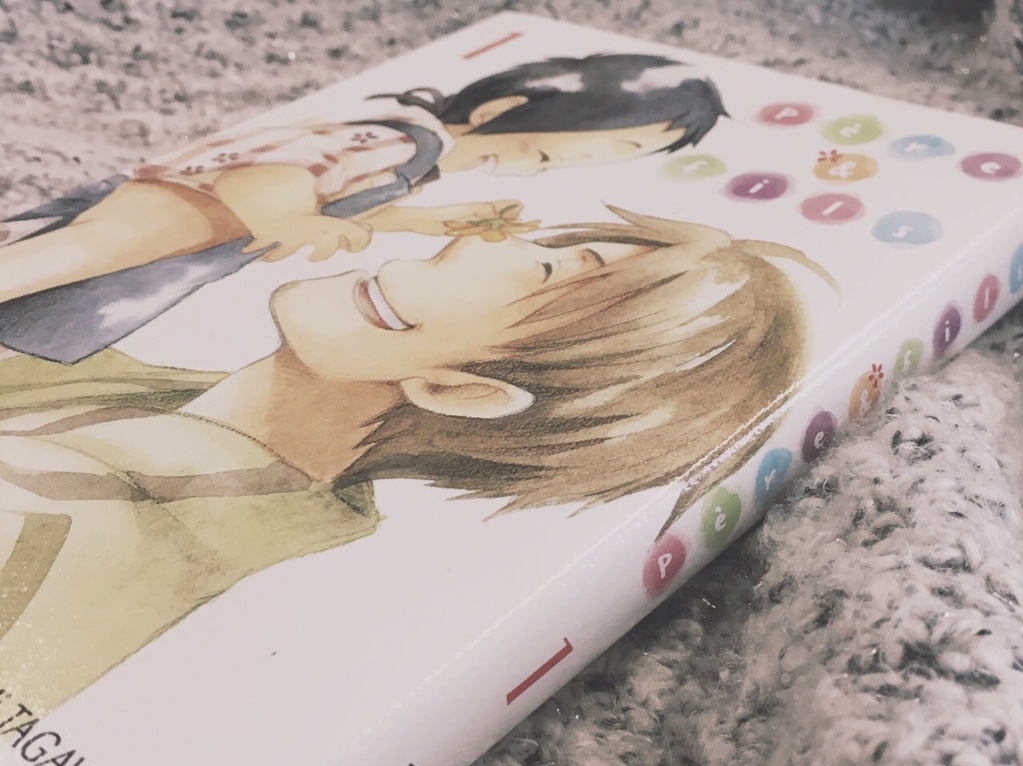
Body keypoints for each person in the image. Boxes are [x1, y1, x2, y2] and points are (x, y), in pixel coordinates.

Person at [0, 207, 825, 716]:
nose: (471, 243)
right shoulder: (121, 393)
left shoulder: (81, 528)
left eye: (544, 269)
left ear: (462, 391)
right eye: (540, 243)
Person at [0, 53, 727, 361]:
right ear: (503, 109)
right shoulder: (400, 138)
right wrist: (291, 220)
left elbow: (344, 202)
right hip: (184, 206)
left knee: (74, 285)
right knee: (67, 258)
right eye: (544, 155)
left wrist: (421, 221)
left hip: (204, 236)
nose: (554, 168)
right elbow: (273, 175)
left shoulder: (422, 163)